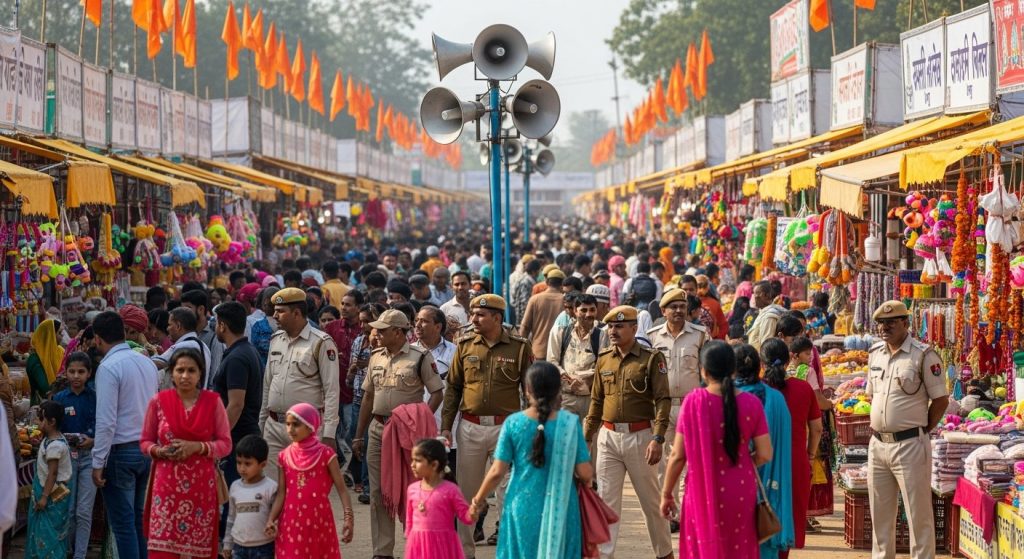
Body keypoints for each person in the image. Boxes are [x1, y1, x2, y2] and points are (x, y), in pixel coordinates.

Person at [659, 340, 772, 559]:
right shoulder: (751, 403)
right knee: (738, 549)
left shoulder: (693, 402)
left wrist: (666, 494)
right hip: (740, 490)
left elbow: (677, 456)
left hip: (701, 490)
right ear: (733, 370)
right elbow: (765, 453)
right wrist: (741, 463)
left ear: (703, 370)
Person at [470, 361, 593, 558]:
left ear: (527, 390)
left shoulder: (513, 423)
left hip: (521, 507)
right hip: (562, 508)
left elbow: (496, 472)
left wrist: (477, 501)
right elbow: (585, 473)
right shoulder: (570, 424)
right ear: (558, 390)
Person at [441, 294, 531, 558]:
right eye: (473, 314)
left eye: (480, 315)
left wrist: (530, 429)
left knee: (509, 492)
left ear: (497, 317)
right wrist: (446, 426)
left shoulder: (519, 347)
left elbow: (530, 391)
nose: (474, 319)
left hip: (507, 429)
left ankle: (511, 551)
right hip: (470, 428)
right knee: (467, 493)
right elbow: (453, 388)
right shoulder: (465, 345)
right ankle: (465, 552)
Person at [351, 309, 444, 559]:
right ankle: (382, 552)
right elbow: (368, 397)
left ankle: (417, 547)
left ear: (398, 332)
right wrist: (358, 435)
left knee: (412, 488)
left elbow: (437, 393)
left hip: (407, 435)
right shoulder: (376, 356)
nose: (376, 334)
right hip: (377, 430)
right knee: (378, 492)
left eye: (382, 330)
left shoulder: (420, 357)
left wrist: (420, 422)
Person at [584, 305, 673, 559]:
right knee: (606, 503)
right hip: (608, 438)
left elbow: (662, 399)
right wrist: (586, 438)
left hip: (641, 438)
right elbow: (596, 401)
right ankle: (604, 555)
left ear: (634, 328)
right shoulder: (604, 358)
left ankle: (664, 553)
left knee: (651, 503)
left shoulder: (651, 358)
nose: (613, 331)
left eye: (619, 326)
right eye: (611, 326)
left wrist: (658, 438)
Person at [866, 300, 949, 559]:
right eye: (881, 323)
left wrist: (922, 429)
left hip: (910, 444)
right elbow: (872, 395)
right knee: (880, 515)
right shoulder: (875, 353)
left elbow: (941, 400)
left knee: (918, 514)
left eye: (891, 322)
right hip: (878, 444)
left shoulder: (923, 355)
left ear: (905, 323)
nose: (885, 327)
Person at [141, 347, 232, 557]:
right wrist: (159, 451)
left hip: (200, 486)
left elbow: (225, 444)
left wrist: (198, 447)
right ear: (171, 373)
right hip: (166, 487)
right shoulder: (158, 402)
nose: (185, 376)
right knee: (163, 548)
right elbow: (145, 442)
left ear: (200, 374)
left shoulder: (213, 402)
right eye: (180, 370)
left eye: (191, 370)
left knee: (199, 549)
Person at [92, 310, 160, 559]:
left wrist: (98, 462)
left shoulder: (109, 367)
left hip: (122, 452)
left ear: (98, 339)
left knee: (123, 525)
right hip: (146, 450)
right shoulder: (146, 362)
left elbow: (106, 421)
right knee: (138, 521)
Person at [259, 287, 341, 481]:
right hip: (273, 426)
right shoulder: (276, 340)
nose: (275, 316)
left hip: (306, 429)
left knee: (304, 487)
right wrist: (262, 423)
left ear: (296, 313)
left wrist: (329, 433)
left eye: (280, 311)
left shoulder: (321, 342)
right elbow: (268, 384)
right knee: (272, 488)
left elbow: (331, 390)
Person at [265, 404, 354, 558]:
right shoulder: (284, 456)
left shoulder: (326, 454)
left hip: (319, 521)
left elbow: (342, 489)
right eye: (288, 424)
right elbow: (281, 493)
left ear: (310, 425)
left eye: (296, 424)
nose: (290, 429)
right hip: (290, 522)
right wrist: (271, 519)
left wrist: (348, 518)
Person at [734, 342, 794, 558]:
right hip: (770, 487)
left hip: (733, 486)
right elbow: (777, 449)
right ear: (759, 365)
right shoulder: (776, 398)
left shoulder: (727, 399)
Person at [771, 338, 823, 556]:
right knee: (788, 516)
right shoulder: (803, 388)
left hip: (762, 462)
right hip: (796, 461)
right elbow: (817, 428)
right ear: (788, 360)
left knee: (761, 518)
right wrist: (810, 456)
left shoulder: (757, 390)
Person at [213, 302, 266, 492]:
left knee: (235, 498)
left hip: (238, 440)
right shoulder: (246, 351)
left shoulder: (238, 357)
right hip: (244, 436)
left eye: (216, 323)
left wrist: (219, 441)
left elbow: (236, 404)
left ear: (222, 326)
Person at [52, 352, 97, 559]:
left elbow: (104, 425)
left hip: (90, 458)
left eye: (81, 371)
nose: (76, 376)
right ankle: (67, 551)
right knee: (68, 509)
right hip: (67, 458)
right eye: (72, 371)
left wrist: (93, 440)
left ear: (89, 373)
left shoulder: (96, 397)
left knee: (84, 511)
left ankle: (80, 555)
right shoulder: (59, 399)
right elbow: (52, 430)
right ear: (66, 372)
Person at [404, 438, 477, 559]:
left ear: (434, 465)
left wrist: (473, 512)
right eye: (412, 460)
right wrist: (410, 538)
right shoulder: (412, 489)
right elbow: (409, 519)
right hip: (418, 545)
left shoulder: (451, 490)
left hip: (443, 545)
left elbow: (465, 516)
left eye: (418, 460)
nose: (412, 465)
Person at [547, 294, 608, 421]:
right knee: (566, 433)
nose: (588, 314)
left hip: (591, 398)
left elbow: (603, 365)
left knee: (590, 433)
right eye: (583, 310)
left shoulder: (602, 335)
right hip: (566, 398)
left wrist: (579, 377)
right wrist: (568, 377)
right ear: (575, 311)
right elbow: (552, 361)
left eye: (592, 310)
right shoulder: (560, 332)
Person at [26, 400, 73, 559]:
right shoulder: (53, 440)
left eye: (41, 419)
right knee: (45, 530)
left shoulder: (55, 446)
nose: (37, 422)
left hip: (52, 495)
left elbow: (52, 474)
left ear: (51, 422)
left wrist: (45, 497)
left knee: (48, 533)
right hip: (52, 492)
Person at [223, 435, 278, 559]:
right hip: (238, 547)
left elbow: (277, 518)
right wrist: (227, 544)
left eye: (247, 464)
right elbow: (231, 518)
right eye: (239, 462)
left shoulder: (271, 488)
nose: (242, 468)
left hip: (264, 547)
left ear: (263, 464)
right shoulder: (235, 487)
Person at [152, 307, 213, 389]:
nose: (167, 329)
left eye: (169, 325)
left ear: (178, 326)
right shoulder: (204, 346)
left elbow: (157, 364)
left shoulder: (183, 346)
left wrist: (143, 355)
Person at [519, 269, 567, 360]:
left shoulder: (535, 299)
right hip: (560, 354)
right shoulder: (566, 301)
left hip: (538, 352)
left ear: (547, 282)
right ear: (562, 284)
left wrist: (520, 351)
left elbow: (524, 328)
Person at [182, 289, 226, 382]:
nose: (183, 314)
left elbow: (214, 376)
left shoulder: (214, 336)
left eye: (188, 309)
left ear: (201, 309)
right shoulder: (185, 334)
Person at [26, 319, 64, 404]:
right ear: (50, 336)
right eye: (59, 333)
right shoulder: (35, 359)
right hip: (41, 404)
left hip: (59, 399)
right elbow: (46, 388)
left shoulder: (60, 351)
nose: (62, 336)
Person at [747, 281, 788, 350]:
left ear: (766, 295)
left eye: (756, 294)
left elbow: (767, 347)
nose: (754, 297)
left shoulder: (769, 317)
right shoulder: (764, 312)